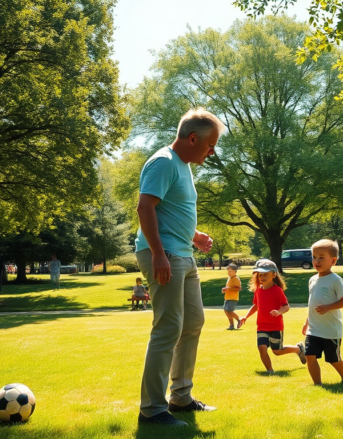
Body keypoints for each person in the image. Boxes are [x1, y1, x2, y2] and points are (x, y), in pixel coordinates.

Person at [135, 108, 224, 427]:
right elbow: (145, 207)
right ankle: (152, 409)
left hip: (182, 252)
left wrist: (195, 235)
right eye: (210, 145)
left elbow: (169, 211)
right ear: (192, 138)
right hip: (165, 256)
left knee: (193, 321)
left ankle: (180, 397)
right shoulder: (163, 161)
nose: (211, 152)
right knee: (168, 327)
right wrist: (159, 254)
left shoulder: (182, 166)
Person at [239, 259, 306, 374]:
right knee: (262, 347)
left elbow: (286, 306)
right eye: (260, 274)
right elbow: (256, 305)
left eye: (265, 273)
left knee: (277, 351)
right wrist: (245, 316)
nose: (262, 277)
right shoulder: (258, 291)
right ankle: (270, 371)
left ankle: (298, 349)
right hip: (262, 326)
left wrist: (279, 312)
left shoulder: (277, 290)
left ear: (274, 274)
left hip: (275, 326)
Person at [303, 239, 343, 385]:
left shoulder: (335, 280)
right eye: (314, 257)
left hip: (331, 330)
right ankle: (317, 384)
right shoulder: (312, 280)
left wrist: (328, 307)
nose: (316, 261)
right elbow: (312, 304)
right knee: (309, 355)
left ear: (333, 261)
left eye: (321, 257)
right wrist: (307, 322)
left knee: (333, 359)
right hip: (314, 329)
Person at [222, 263, 242, 330]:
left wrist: (228, 289)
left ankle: (239, 320)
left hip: (233, 298)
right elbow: (229, 288)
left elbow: (238, 288)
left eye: (230, 271)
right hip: (227, 297)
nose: (228, 273)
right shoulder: (230, 278)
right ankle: (231, 325)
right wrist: (225, 290)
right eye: (228, 271)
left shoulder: (236, 279)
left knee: (229, 311)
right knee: (226, 311)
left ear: (234, 271)